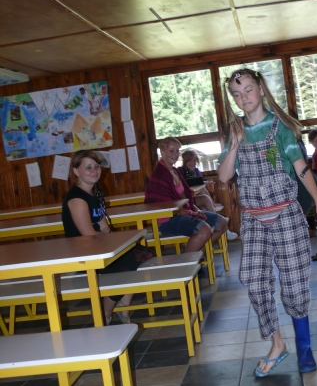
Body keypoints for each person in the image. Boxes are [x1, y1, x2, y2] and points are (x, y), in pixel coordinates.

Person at [218, 68, 317, 377]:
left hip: (285, 213)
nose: (243, 97)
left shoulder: (280, 128)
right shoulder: (235, 131)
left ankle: (305, 347)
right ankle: (278, 343)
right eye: (237, 94)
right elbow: (224, 176)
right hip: (254, 218)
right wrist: (234, 143)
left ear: (260, 89)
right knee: (254, 280)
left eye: (248, 90)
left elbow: (301, 169)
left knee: (294, 285)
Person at [62, 150, 152, 324]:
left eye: (96, 166)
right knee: (126, 268)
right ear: (76, 171)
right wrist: (115, 245)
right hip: (85, 256)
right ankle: (106, 311)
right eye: (88, 167)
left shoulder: (94, 194)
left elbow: (104, 227)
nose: (94, 170)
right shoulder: (77, 199)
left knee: (145, 253)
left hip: (100, 249)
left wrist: (117, 244)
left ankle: (124, 303)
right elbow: (89, 235)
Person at [145, 137, 228, 257]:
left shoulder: (175, 171)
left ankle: (198, 256)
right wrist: (192, 213)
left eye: (177, 150)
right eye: (171, 151)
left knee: (222, 222)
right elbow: (169, 207)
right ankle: (187, 262)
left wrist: (196, 210)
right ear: (162, 152)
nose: (175, 154)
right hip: (167, 220)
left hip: (183, 213)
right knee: (204, 229)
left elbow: (185, 199)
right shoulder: (159, 175)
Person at [179, 148, 238, 241]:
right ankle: (224, 229)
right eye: (190, 160)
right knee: (205, 199)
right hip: (185, 200)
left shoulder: (196, 171)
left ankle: (209, 238)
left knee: (205, 208)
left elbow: (200, 184)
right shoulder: (180, 171)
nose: (192, 162)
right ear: (185, 161)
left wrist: (204, 183)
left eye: (194, 160)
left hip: (193, 199)